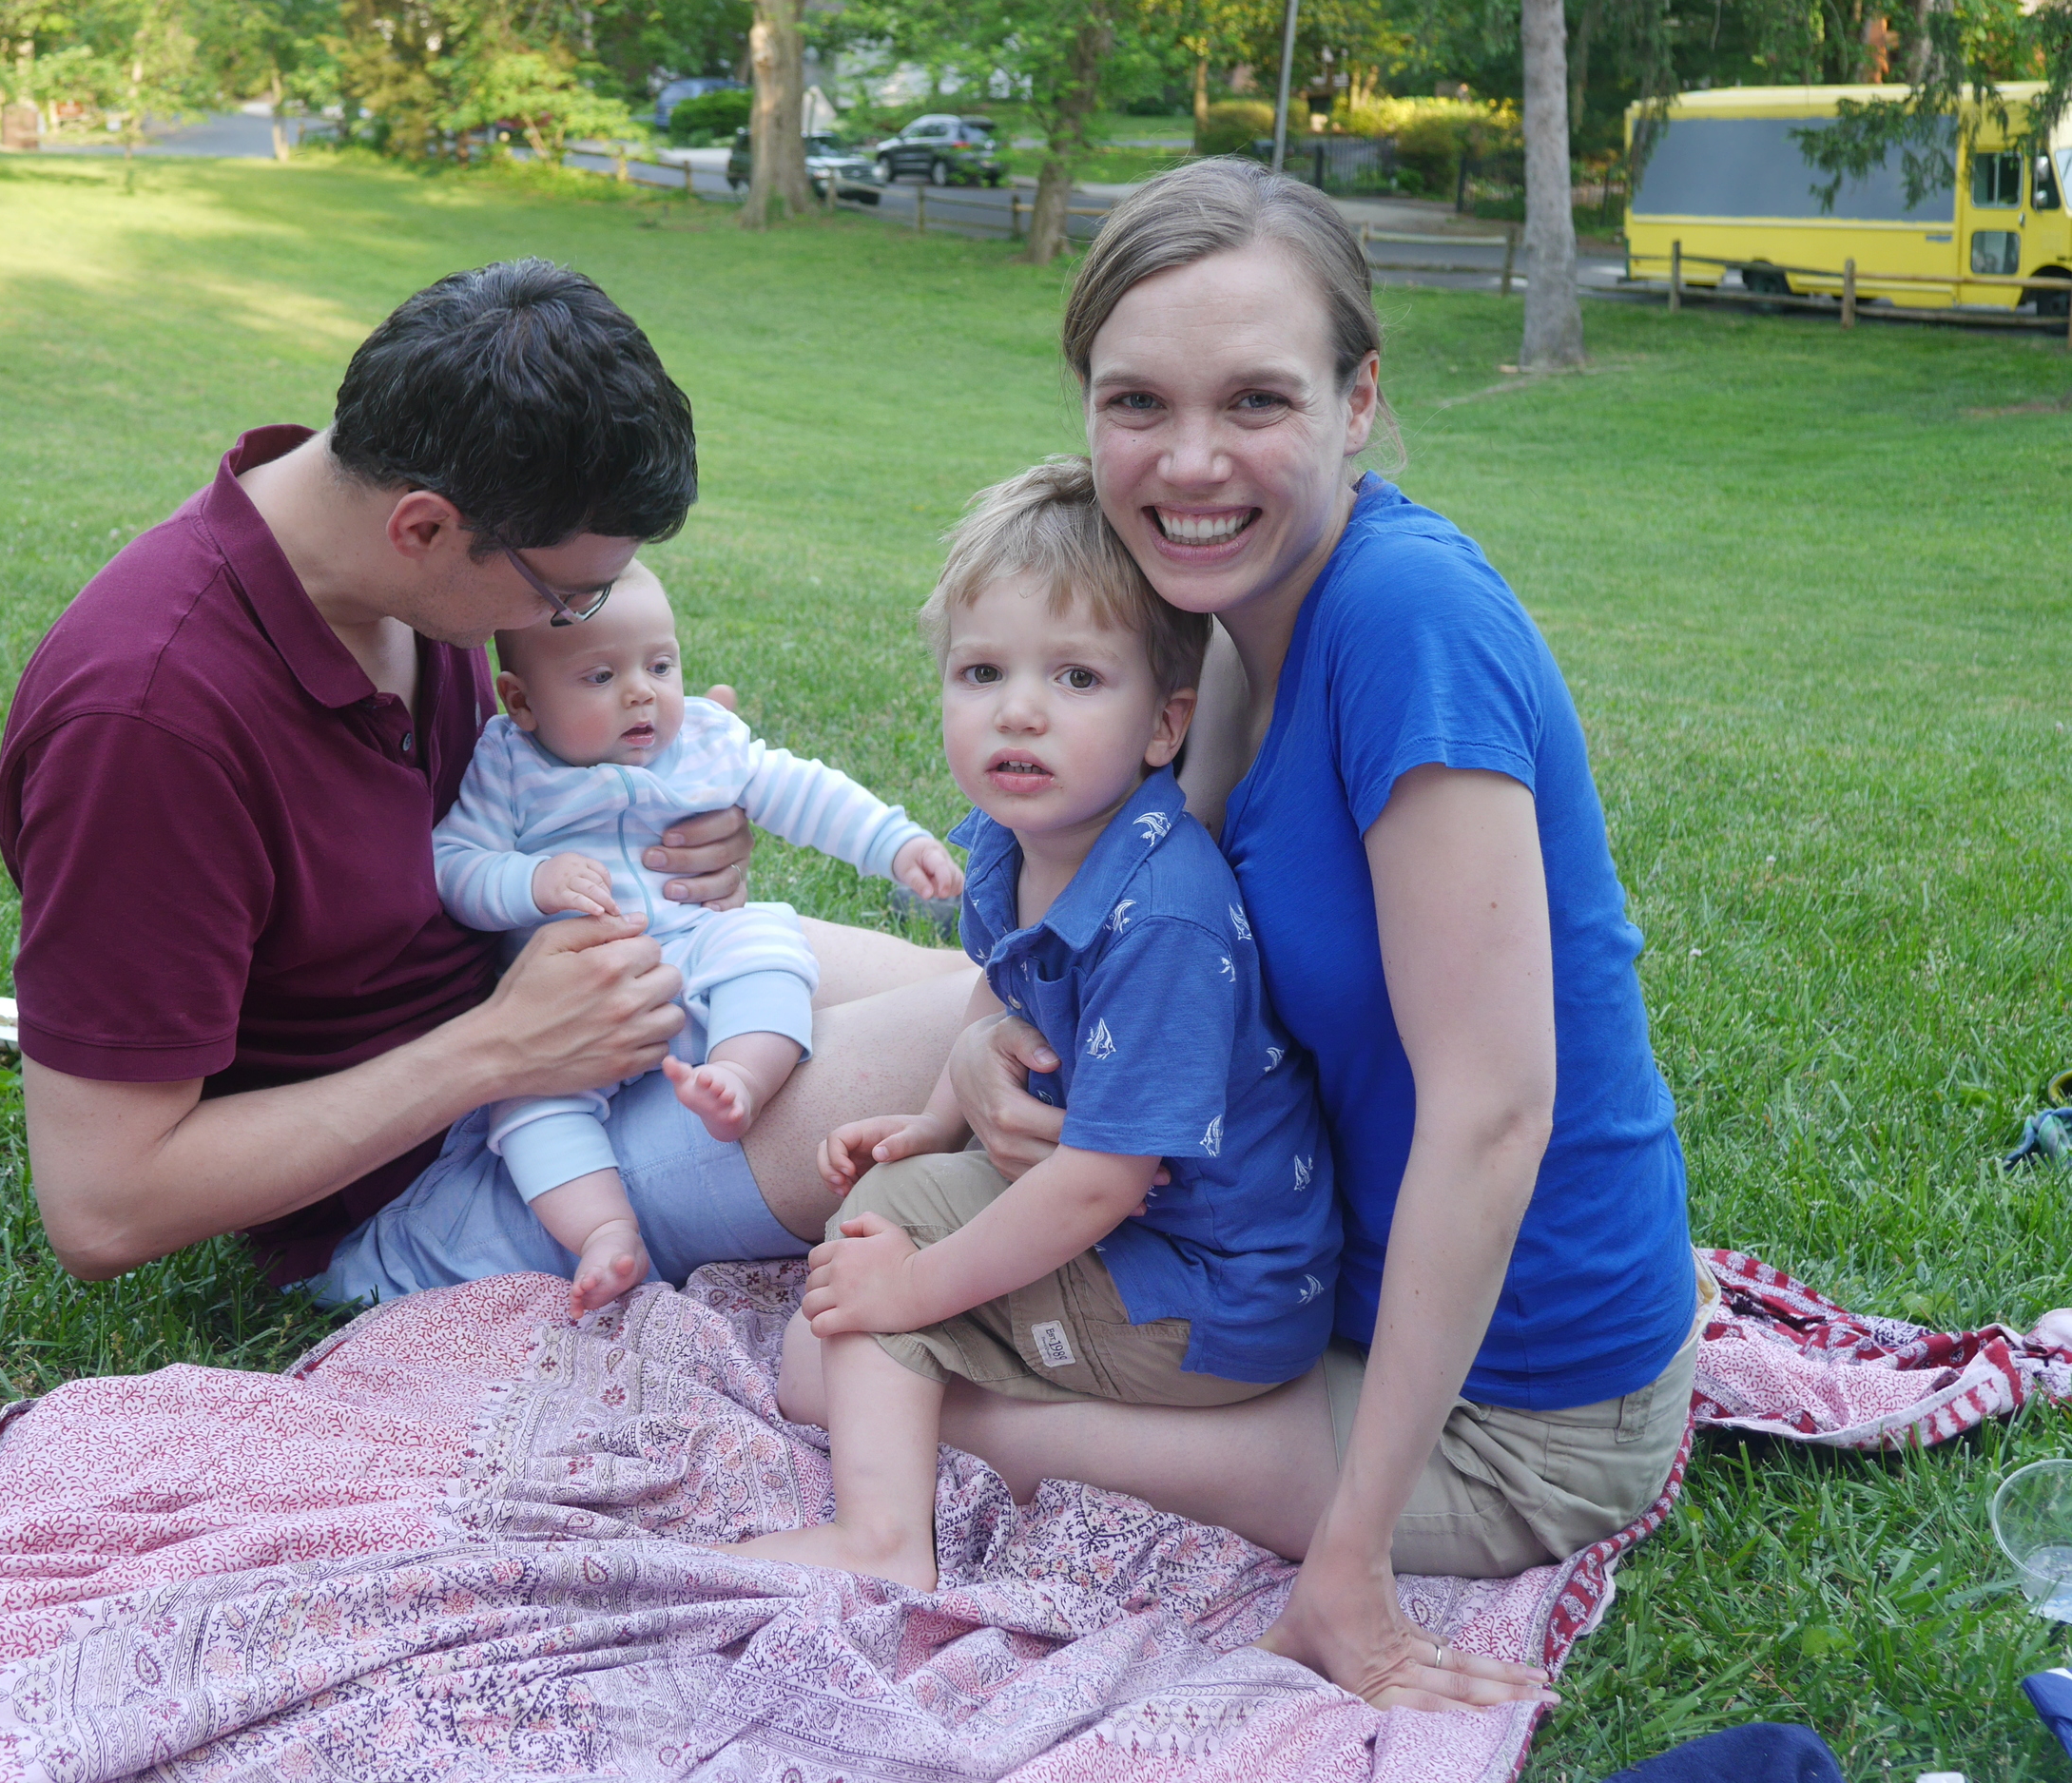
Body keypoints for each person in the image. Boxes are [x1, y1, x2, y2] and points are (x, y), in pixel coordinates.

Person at [932, 160, 1710, 1714]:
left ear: (1359, 403)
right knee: (867, 1145)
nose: (1192, 461)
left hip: (1517, 1404)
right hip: (1279, 1266)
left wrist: (1343, 1572)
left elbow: (1496, 1111)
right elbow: (1130, 931)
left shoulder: (1403, 622)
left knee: (898, 1389)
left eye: (1258, 403)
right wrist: (977, 1037)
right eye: (1138, 402)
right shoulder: (1225, 619)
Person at [0, 260, 971, 1299]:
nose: (562, 626)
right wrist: (499, 1051)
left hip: (588, 1015)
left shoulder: (407, 582)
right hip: (450, 1176)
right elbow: (102, 1206)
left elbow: (498, 817)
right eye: (566, 597)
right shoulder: (148, 722)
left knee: (1031, 995)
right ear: (422, 527)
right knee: (1014, 1052)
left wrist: (660, 816)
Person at [728, 459, 1339, 1592]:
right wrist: (929, 1123)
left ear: (1165, 727)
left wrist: (914, 1292)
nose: (1018, 708)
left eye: (1074, 676)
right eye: (981, 671)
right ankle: (920, 1389)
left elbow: (1105, 1183)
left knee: (880, 1264)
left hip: (1201, 1298)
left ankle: (880, 1539)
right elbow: (1005, 992)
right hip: (1141, 1246)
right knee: (883, 1213)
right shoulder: (1016, 843)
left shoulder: (1165, 921)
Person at [420, 561, 963, 1316]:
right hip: (579, 1007)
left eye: (661, 664)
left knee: (764, 940)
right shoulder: (508, 767)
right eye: (601, 674)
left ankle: (740, 1076)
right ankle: (606, 1231)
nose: (642, 691)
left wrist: (894, 844)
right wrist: (531, 880)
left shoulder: (705, 741)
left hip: (698, 956)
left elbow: (800, 789)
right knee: (530, 1107)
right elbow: (453, 866)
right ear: (523, 702)